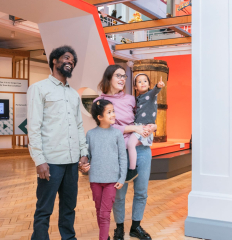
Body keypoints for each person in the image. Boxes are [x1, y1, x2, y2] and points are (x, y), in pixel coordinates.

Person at [27, 45, 90, 240]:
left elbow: (79, 126)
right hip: (51, 161)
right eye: (66, 58)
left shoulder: (72, 95)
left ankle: (69, 238)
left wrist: (83, 152)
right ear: (54, 61)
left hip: (72, 162)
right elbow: (34, 127)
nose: (70, 61)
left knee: (69, 207)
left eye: (72, 60)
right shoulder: (38, 89)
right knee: (44, 208)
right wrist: (39, 160)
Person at [93, 65, 156, 240]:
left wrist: (152, 126)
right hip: (117, 153)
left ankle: (135, 227)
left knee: (141, 191)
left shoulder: (131, 99)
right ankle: (119, 227)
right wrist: (133, 127)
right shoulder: (99, 102)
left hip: (141, 149)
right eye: (118, 75)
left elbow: (145, 117)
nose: (122, 79)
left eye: (124, 76)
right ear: (108, 78)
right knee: (119, 194)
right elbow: (106, 128)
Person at [84, 99, 127, 240]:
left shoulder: (117, 134)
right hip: (95, 180)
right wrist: (83, 166)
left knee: (105, 213)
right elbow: (88, 157)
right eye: (109, 112)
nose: (113, 114)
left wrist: (122, 178)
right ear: (100, 117)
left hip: (112, 181)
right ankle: (105, 237)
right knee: (99, 211)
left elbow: (122, 157)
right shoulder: (90, 134)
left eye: (113, 111)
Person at [125, 74, 165, 182]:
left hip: (143, 126)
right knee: (132, 145)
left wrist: (158, 86)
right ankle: (133, 168)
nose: (143, 83)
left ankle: (132, 170)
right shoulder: (138, 98)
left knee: (130, 144)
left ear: (149, 84)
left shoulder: (151, 94)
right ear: (135, 87)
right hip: (139, 126)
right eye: (139, 82)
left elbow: (155, 91)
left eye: (145, 81)